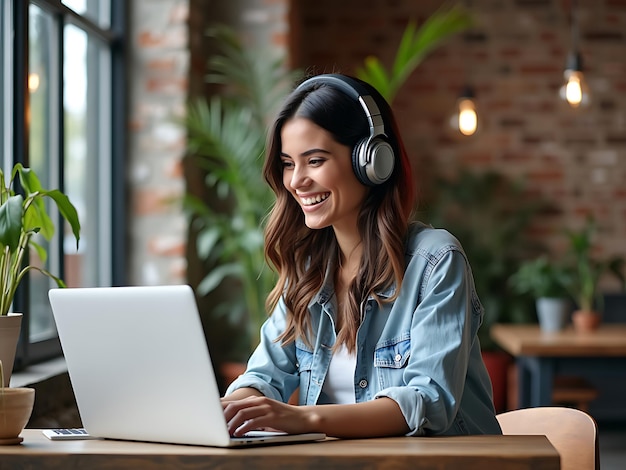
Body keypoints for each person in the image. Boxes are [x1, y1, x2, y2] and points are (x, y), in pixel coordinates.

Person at [222, 73, 502, 438]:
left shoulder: (436, 261)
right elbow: (262, 375)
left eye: (315, 160)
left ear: (371, 161)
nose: (296, 181)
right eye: (289, 163)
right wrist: (236, 406)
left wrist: (303, 419)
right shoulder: (306, 272)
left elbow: (427, 401)